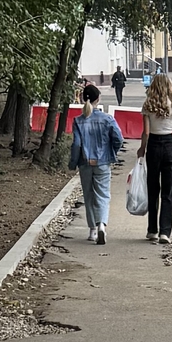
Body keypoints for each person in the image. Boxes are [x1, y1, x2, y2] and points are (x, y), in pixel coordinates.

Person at [70, 82, 122, 244]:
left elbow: (77, 144)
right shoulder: (107, 119)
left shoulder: (78, 121)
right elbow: (118, 139)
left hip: (85, 163)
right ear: (98, 99)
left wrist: (73, 162)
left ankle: (92, 230)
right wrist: (111, 152)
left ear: (81, 98)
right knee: (103, 195)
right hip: (102, 162)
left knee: (88, 195)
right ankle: (101, 226)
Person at [140, 70, 172, 243]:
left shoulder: (148, 104)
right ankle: (165, 232)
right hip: (169, 145)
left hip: (154, 146)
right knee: (168, 190)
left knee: (153, 188)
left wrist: (142, 149)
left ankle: (152, 230)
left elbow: (146, 133)